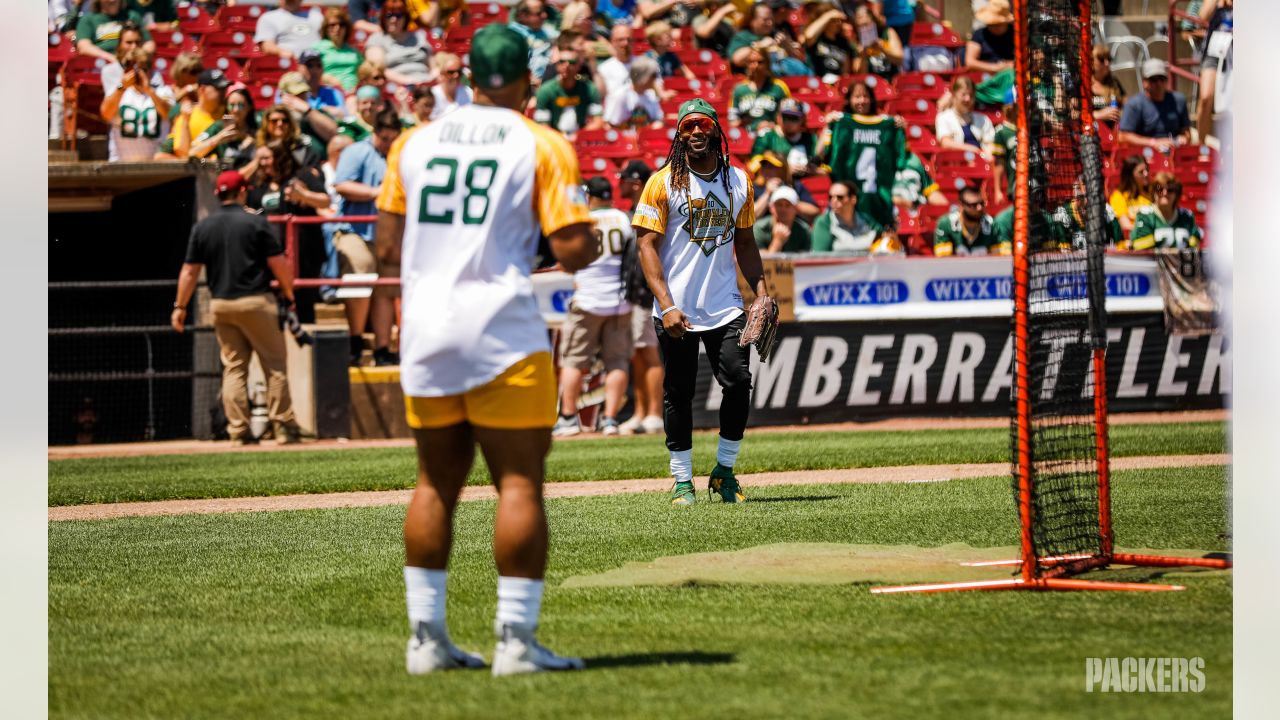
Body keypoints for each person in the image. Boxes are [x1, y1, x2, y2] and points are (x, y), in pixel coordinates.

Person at [374, 23, 597, 676]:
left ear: (468, 77)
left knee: (434, 485)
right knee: (520, 482)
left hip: (427, 330)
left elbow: (387, 248)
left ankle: (425, 640)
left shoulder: (414, 142)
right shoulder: (541, 142)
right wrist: (602, 238)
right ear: (528, 80)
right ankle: (517, 643)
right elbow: (572, 249)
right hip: (502, 327)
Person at [632, 98, 770, 506]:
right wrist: (667, 304)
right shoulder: (662, 182)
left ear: (716, 131)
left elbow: (745, 242)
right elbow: (646, 247)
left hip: (725, 303)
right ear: (679, 133)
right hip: (676, 308)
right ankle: (681, 482)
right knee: (678, 391)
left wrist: (760, 292)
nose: (696, 132)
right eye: (688, 125)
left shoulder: (739, 182)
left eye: (703, 125)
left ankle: (724, 472)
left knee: (739, 381)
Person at [171, 170, 302, 446]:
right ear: (242, 192)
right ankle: (283, 428)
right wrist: (289, 295)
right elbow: (279, 264)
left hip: (221, 305)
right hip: (256, 301)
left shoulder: (203, 227)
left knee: (234, 368)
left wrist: (180, 306)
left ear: (219, 195)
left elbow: (189, 271)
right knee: (274, 365)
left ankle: (238, 431)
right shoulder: (256, 223)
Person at [553, 177, 635, 437]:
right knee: (617, 361)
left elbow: (567, 262)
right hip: (619, 301)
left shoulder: (584, 220)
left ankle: (567, 418)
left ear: (589, 196)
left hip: (588, 298)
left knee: (574, 361)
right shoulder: (623, 218)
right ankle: (610, 420)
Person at [333, 109, 403, 366]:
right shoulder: (356, 152)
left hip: (389, 235)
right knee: (360, 277)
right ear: (375, 133)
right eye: (383, 138)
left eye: (391, 139)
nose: (387, 144)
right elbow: (342, 185)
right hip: (356, 231)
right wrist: (377, 192)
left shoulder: (399, 155)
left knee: (386, 291)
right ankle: (355, 341)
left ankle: (383, 348)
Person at [247, 139, 331, 324]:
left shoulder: (303, 175)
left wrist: (303, 196)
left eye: (267, 158)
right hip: (271, 254)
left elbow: (325, 201)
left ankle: (305, 346)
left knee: (304, 302)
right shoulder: (259, 183)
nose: (263, 163)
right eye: (260, 159)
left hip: (303, 253)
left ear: (281, 157)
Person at [613, 160, 665, 436]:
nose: (619, 184)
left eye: (623, 179)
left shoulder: (651, 209)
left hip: (647, 294)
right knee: (638, 355)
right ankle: (640, 412)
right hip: (634, 293)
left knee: (649, 354)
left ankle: (654, 413)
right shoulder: (633, 212)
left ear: (635, 183)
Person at [819, 79, 904, 225]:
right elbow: (820, 154)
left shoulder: (887, 124)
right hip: (846, 198)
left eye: (865, 96)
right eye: (857, 97)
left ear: (872, 99)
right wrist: (828, 126)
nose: (862, 101)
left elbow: (901, 159)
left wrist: (900, 128)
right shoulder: (840, 123)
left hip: (878, 199)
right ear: (849, 100)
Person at [100, 45, 173, 162]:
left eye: (143, 69)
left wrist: (149, 90)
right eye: (132, 69)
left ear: (151, 70)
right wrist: (122, 87)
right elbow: (106, 114)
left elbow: (168, 114)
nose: (138, 74)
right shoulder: (117, 91)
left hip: (157, 165)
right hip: (121, 163)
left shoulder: (163, 91)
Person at [1117, 59, 1192, 152]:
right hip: (1145, 154)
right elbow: (1123, 136)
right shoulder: (1134, 104)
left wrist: (1183, 139)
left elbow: (1186, 131)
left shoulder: (1178, 100)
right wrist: (1154, 143)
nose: (1159, 84)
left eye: (1162, 79)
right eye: (1154, 80)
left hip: (1174, 152)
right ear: (1145, 82)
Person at [811, 179, 899, 254]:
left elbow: (885, 236)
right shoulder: (824, 222)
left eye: (839, 197)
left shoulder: (866, 220)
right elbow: (820, 257)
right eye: (830, 197)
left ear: (853, 199)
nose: (833, 201)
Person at [534, 44, 605, 136]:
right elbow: (542, 125)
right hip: (555, 139)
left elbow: (598, 121)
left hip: (580, 138)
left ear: (579, 66)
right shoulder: (545, 91)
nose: (566, 65)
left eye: (572, 62)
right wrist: (561, 139)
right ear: (556, 65)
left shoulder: (589, 89)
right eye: (562, 62)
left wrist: (578, 136)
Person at [158, 68, 229, 160]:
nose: (223, 92)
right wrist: (186, 121)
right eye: (218, 88)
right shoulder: (188, 115)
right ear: (202, 89)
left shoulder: (230, 113)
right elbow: (183, 153)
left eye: (224, 88)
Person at [1125, 172, 1203, 250]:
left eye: (1170, 190)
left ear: (1177, 194)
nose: (1165, 193)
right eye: (1160, 189)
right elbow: (1138, 247)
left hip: (1182, 261)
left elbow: (1195, 245)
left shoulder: (1186, 216)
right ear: (1153, 192)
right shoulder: (1145, 215)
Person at [364, 0, 434, 87]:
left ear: (406, 18)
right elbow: (378, 69)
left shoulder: (419, 36)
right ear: (383, 17)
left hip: (426, 83)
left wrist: (430, 80)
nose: (394, 19)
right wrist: (409, 81)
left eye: (398, 15)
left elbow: (434, 66)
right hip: (396, 87)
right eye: (389, 15)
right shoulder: (376, 39)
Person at [750, 98, 819, 177]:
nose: (789, 122)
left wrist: (810, 170)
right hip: (775, 183)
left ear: (802, 119)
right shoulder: (767, 137)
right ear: (778, 117)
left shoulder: (810, 139)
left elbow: (823, 167)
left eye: (794, 118)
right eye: (785, 117)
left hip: (805, 184)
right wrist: (785, 169)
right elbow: (753, 164)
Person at [1194, 0, 1232, 144]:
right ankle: (1201, 146)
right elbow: (1202, 16)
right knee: (1205, 97)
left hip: (1237, 51)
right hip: (1214, 50)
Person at [933, 185, 1009, 256]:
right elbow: (944, 262)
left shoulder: (992, 225)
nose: (979, 208)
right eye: (973, 205)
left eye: (981, 203)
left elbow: (1000, 259)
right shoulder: (947, 224)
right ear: (961, 206)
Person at [728, 47, 792, 131]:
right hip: (746, 137)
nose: (756, 66)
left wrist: (774, 126)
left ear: (767, 64)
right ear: (747, 65)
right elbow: (732, 122)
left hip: (772, 135)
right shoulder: (739, 89)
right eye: (752, 62)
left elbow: (790, 118)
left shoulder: (779, 87)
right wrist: (742, 123)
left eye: (760, 62)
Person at [75, 0, 153, 63]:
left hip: (132, 62)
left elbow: (149, 43)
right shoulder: (88, 19)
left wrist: (139, 56)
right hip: (101, 64)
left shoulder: (133, 16)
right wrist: (110, 58)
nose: (112, 1)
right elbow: (84, 47)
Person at [935, 75, 994, 156]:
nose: (968, 99)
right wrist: (972, 150)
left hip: (982, 163)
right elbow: (946, 143)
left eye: (971, 95)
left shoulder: (983, 119)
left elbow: (990, 143)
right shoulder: (943, 117)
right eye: (964, 94)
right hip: (957, 162)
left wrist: (988, 154)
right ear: (954, 95)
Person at [603, 56, 663, 129]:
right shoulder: (621, 95)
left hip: (645, 138)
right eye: (653, 75)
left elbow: (658, 119)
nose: (656, 78)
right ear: (643, 76)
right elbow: (609, 125)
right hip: (623, 138)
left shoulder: (651, 95)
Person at [313, 6, 363, 92]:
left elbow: (364, 73)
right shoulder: (317, 49)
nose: (337, 28)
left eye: (341, 25)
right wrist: (330, 80)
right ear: (326, 28)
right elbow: (309, 72)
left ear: (346, 28)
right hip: (329, 92)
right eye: (332, 25)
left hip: (353, 93)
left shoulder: (354, 52)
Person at [509, 0, 559, 85]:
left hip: (551, 81)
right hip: (529, 85)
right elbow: (513, 66)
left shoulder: (544, 31)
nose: (545, 15)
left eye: (544, 11)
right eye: (539, 13)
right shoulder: (512, 36)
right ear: (523, 16)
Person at [255, 0, 323, 60]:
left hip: (318, 64)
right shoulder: (269, 17)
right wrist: (282, 52)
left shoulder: (317, 17)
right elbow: (267, 46)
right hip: (288, 66)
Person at [802, 1, 854, 78]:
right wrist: (829, 16)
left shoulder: (843, 42)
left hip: (837, 84)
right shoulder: (816, 40)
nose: (838, 23)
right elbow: (808, 36)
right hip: (818, 83)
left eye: (839, 20)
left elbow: (845, 72)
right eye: (834, 20)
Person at [753, 185, 811, 253]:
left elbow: (806, 260)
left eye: (788, 205)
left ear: (796, 209)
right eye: (779, 205)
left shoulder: (804, 230)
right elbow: (762, 262)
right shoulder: (760, 229)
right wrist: (777, 242)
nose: (783, 209)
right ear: (771, 208)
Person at [850, 3, 903, 78]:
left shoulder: (887, 33)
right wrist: (863, 56)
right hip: (870, 84)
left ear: (872, 19)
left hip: (890, 81)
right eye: (861, 26)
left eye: (866, 24)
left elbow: (899, 59)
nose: (864, 28)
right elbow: (860, 75)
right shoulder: (855, 42)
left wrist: (883, 49)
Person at [1109, 155, 1154, 235]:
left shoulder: (1153, 193)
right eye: (1141, 172)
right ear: (1130, 175)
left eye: (1147, 170)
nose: (1146, 174)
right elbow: (1125, 226)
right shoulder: (1119, 196)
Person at [965, 0, 1014, 74]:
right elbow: (970, 62)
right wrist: (994, 67)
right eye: (991, 24)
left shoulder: (1016, 34)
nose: (994, 28)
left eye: (998, 24)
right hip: (986, 76)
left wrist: (1012, 65)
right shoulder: (978, 35)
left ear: (1006, 22)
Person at [1090, 44, 1125, 127]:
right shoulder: (1083, 85)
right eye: (1102, 59)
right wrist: (1098, 115)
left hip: (1113, 133)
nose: (1107, 63)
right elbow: (1074, 114)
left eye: (1109, 59)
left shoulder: (1114, 83)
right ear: (1091, 61)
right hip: (1092, 134)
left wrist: (1120, 113)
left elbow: (1128, 106)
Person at [597, 22, 636, 98]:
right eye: (620, 40)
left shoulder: (644, 65)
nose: (626, 43)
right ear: (612, 42)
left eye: (629, 39)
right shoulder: (603, 69)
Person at [429, 53, 473, 119]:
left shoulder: (468, 93)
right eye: (451, 72)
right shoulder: (432, 95)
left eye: (459, 72)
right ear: (441, 73)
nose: (456, 75)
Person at [990, 97, 1017, 206]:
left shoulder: (1030, 129)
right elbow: (999, 163)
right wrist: (998, 190)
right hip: (1015, 185)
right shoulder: (1001, 132)